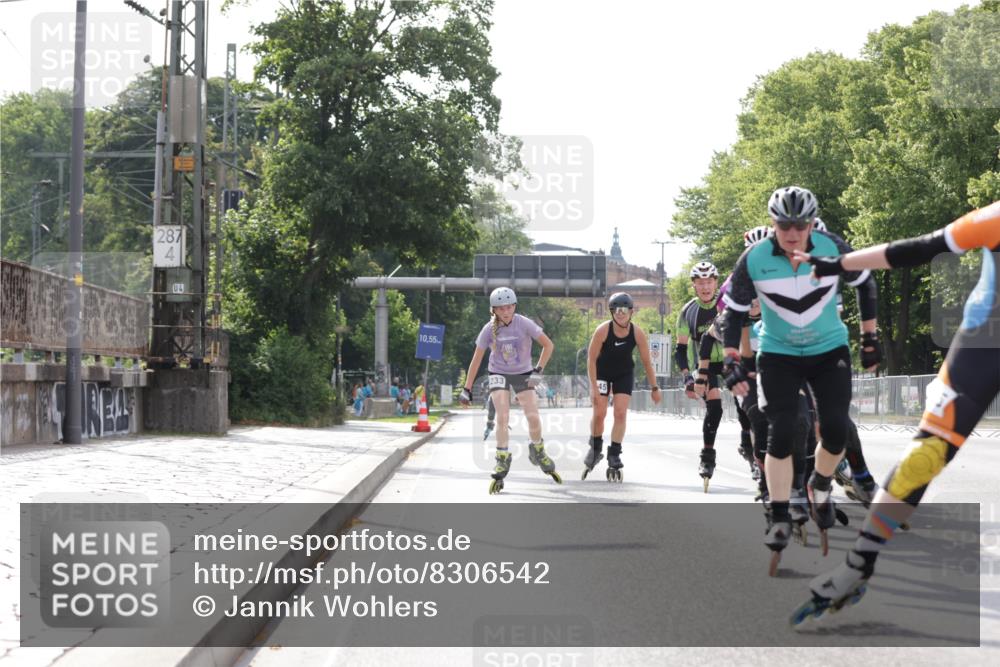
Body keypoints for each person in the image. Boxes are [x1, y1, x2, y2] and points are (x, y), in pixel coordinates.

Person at [789, 199, 1000, 623]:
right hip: (985, 344)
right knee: (926, 456)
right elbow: (921, 247)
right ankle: (858, 564)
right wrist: (839, 263)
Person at [719, 185, 882, 575]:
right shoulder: (754, 258)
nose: (792, 232)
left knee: (838, 429)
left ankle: (820, 485)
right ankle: (778, 515)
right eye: (783, 224)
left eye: (800, 224)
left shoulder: (832, 245)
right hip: (778, 354)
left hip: (829, 350)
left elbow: (866, 284)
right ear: (773, 222)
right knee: (782, 427)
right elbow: (733, 313)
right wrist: (732, 361)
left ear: (811, 222)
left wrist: (870, 337)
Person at [459, 287, 561, 494]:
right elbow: (476, 359)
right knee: (502, 416)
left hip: (523, 373)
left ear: (514, 306)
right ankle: (502, 458)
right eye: (501, 309)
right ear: (494, 310)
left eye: (509, 307)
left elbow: (548, 345)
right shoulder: (489, 329)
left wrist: (537, 371)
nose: (506, 312)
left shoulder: (524, 323)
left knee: (533, 416)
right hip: (498, 373)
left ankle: (538, 450)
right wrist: (466, 389)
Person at [582, 292, 662, 482]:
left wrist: (654, 387)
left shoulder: (637, 333)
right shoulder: (602, 330)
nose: (620, 314)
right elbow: (591, 360)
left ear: (631, 312)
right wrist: (593, 387)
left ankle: (614, 453)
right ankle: (595, 447)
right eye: (616, 310)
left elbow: (647, 362)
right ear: (611, 312)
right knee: (600, 412)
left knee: (620, 413)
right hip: (601, 373)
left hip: (623, 374)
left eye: (624, 310)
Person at [673, 260, 730, 489]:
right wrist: (688, 376)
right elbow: (680, 350)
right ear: (694, 285)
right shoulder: (688, 312)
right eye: (701, 283)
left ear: (716, 282)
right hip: (705, 365)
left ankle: (749, 446)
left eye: (709, 282)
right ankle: (707, 458)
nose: (706, 287)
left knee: (747, 404)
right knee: (715, 407)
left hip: (729, 360)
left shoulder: (727, 305)